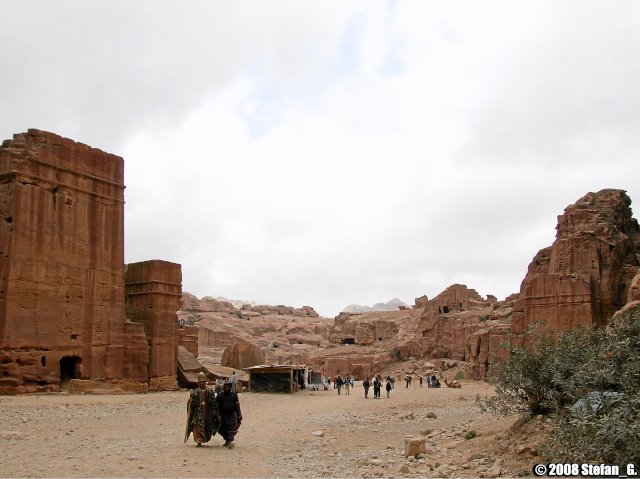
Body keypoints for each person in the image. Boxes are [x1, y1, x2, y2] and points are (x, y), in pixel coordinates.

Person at [185, 372, 219, 447]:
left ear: (205, 382)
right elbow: (191, 404)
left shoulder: (210, 391)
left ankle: (205, 438)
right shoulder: (195, 392)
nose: (202, 383)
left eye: (203, 382)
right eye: (200, 382)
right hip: (198, 413)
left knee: (207, 425)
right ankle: (199, 441)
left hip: (207, 412)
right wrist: (190, 402)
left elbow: (213, 402)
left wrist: (214, 410)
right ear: (198, 383)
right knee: (197, 426)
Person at [215, 380, 242, 448]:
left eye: (228, 386)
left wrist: (239, 415)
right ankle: (227, 440)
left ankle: (230, 441)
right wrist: (216, 413)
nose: (226, 388)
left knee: (231, 428)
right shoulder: (219, 395)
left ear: (230, 387)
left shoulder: (234, 395)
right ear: (223, 387)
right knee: (222, 429)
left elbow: (237, 406)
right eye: (225, 386)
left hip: (231, 415)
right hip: (222, 415)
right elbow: (215, 405)